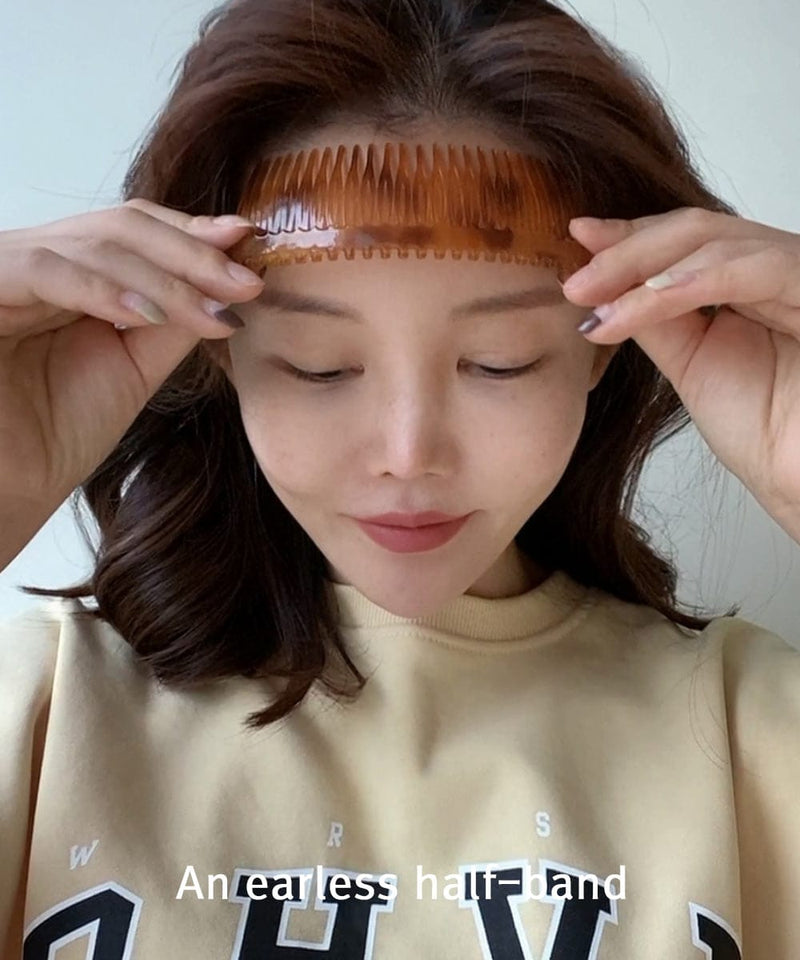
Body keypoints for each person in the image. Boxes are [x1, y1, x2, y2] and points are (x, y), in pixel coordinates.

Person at [1, 0, 799, 956]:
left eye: (501, 361)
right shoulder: (46, 709)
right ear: (215, 346)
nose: (408, 452)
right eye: (319, 365)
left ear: (604, 345)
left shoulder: (746, 727)